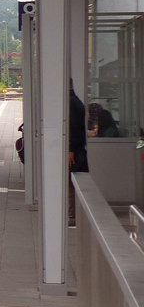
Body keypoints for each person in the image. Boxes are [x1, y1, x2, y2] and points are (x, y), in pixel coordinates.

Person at [69, 82, 87, 227]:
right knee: (72, 182)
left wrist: (71, 149)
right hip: (77, 149)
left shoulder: (70, 102)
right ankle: (72, 215)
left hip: (74, 151)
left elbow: (74, 128)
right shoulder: (75, 101)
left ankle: (72, 216)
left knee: (71, 183)